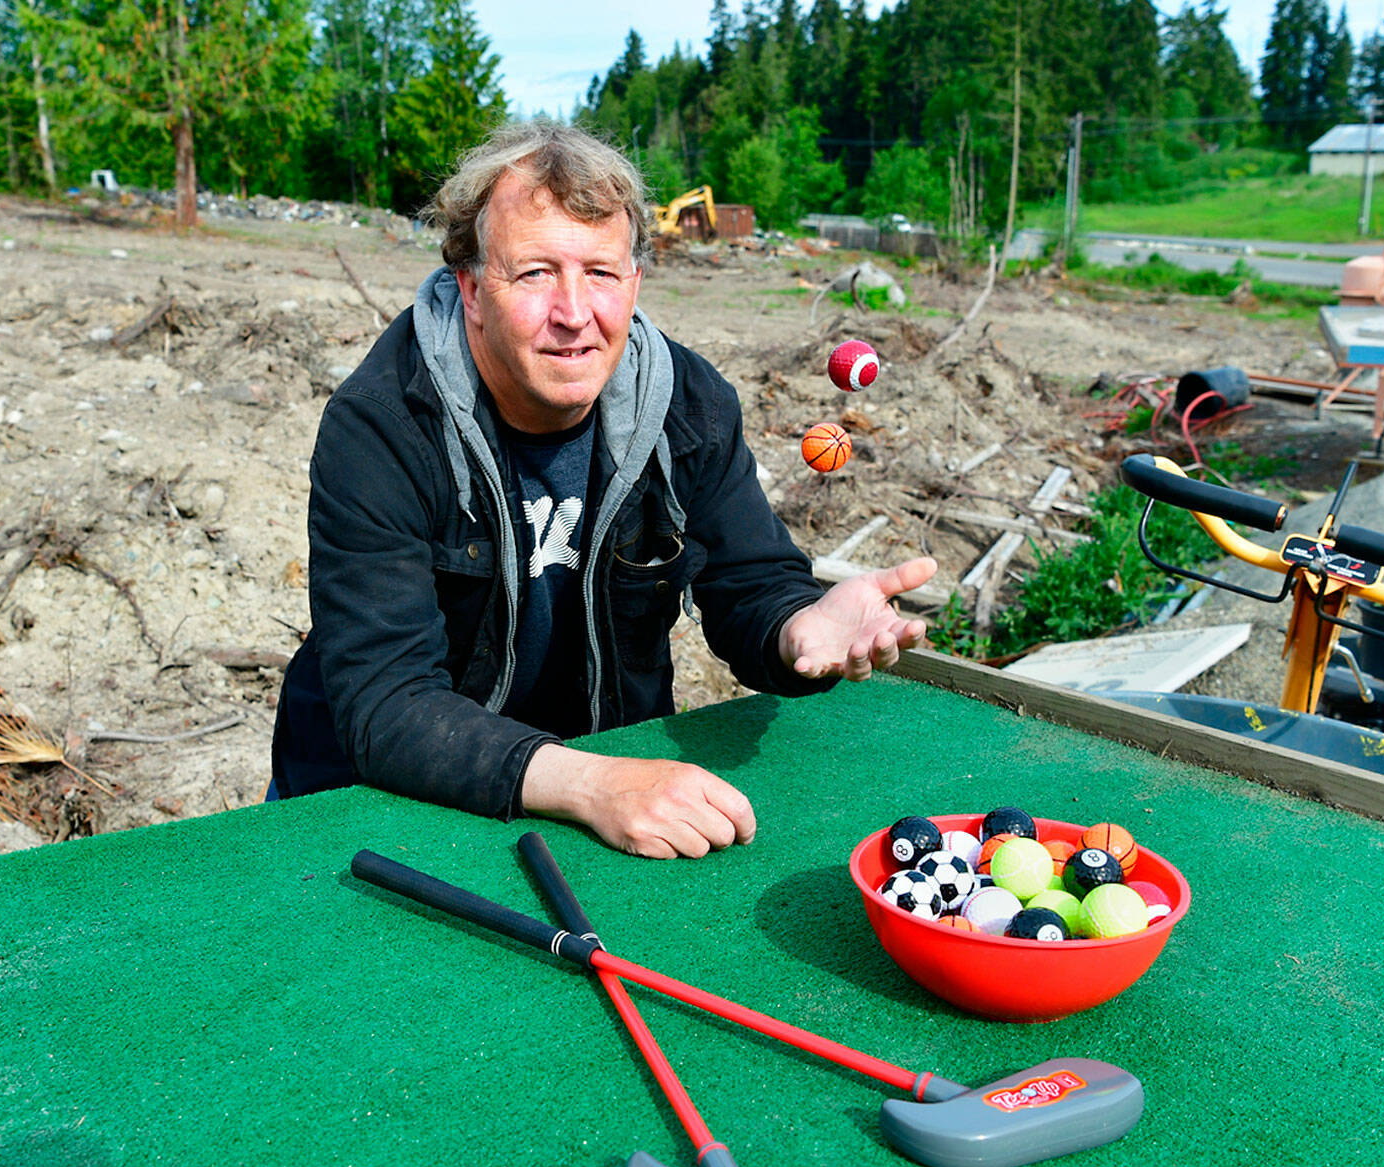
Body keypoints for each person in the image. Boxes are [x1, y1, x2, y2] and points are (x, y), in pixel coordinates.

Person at [271, 122, 936, 858]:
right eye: (535, 273)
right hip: (375, 801)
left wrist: (798, 627)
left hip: (597, 783)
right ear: (473, 290)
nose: (574, 312)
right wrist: (593, 784)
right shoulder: (383, 425)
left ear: (635, 282)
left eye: (601, 273)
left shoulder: (689, 406)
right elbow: (387, 703)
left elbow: (749, 581)